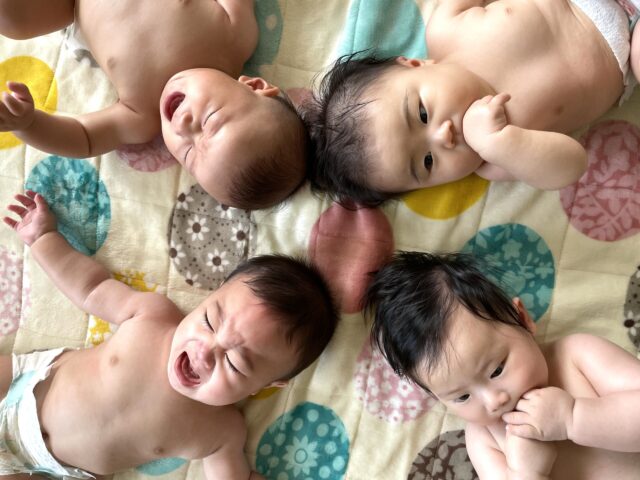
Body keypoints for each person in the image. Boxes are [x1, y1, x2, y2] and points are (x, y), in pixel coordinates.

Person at [0, 190, 339, 480]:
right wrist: (43, 239)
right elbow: (91, 288)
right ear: (207, 298)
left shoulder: (221, 431)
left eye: (235, 363)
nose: (206, 351)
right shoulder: (153, 317)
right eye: (209, 321)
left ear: (265, 385)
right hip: (27, 383)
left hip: (57, 469)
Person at [305, 0, 640, 206]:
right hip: (630, 45)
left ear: (414, 64)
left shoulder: (447, 30)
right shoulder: (495, 159)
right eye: (427, 162)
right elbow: (572, 164)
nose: (443, 136)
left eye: (422, 113)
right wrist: (504, 143)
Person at [0, 0, 308, 210]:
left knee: (11, 19)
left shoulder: (140, 117)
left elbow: (83, 136)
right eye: (210, 120)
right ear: (254, 86)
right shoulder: (236, 35)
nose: (184, 126)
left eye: (188, 154)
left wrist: (29, 124)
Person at [363, 251, 640, 479]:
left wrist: (574, 418)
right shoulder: (484, 440)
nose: (494, 401)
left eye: (497, 370)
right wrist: (526, 473)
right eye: (462, 397)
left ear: (522, 319)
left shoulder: (576, 356)